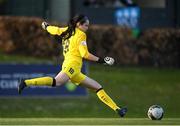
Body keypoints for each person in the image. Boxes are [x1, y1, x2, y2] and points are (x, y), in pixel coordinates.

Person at [18, 14, 127, 117]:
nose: (87, 28)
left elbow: (54, 30)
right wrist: (103, 60)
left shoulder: (66, 30)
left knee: (97, 87)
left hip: (74, 69)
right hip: (72, 66)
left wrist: (46, 27)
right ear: (78, 24)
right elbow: (85, 54)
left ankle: (118, 109)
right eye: (86, 25)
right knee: (56, 82)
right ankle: (25, 83)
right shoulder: (81, 34)